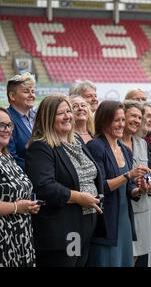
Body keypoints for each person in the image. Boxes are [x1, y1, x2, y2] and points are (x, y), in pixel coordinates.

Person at [25, 95, 104, 267]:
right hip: (65, 230)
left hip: (85, 224)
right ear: (48, 118)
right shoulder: (41, 146)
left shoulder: (76, 140)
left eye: (69, 111)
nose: (68, 116)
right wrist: (78, 197)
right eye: (61, 113)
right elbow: (45, 186)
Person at [86, 100, 151, 267]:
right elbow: (100, 186)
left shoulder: (125, 150)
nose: (121, 124)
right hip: (107, 221)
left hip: (124, 219)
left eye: (123, 120)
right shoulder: (96, 146)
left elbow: (129, 189)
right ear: (104, 120)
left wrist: (140, 189)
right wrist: (129, 175)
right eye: (117, 120)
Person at [0, 107, 40, 267]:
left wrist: (29, 206)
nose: (7, 130)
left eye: (9, 125)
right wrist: (17, 207)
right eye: (1, 125)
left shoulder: (7, 155)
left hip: (21, 237)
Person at [122, 100, 151, 267]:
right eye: (133, 116)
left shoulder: (142, 143)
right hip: (121, 208)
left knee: (140, 258)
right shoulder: (112, 143)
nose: (137, 120)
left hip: (142, 207)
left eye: (139, 117)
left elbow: (149, 171)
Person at [6, 72, 36, 170]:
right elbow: (11, 158)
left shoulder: (38, 117)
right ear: (12, 96)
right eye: (26, 91)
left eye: (33, 91)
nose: (32, 95)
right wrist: (38, 169)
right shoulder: (5, 120)